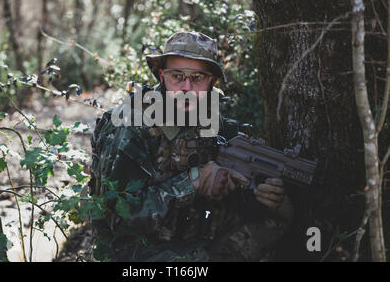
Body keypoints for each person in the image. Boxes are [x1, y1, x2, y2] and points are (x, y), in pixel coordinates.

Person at [87, 31, 293, 261]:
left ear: (212, 81)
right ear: (161, 75)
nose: (187, 87)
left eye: (198, 77)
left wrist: (258, 195)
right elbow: (117, 217)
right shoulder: (131, 124)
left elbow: (231, 193)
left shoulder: (214, 119)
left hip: (196, 236)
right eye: (177, 76)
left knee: (273, 223)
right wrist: (193, 182)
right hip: (137, 248)